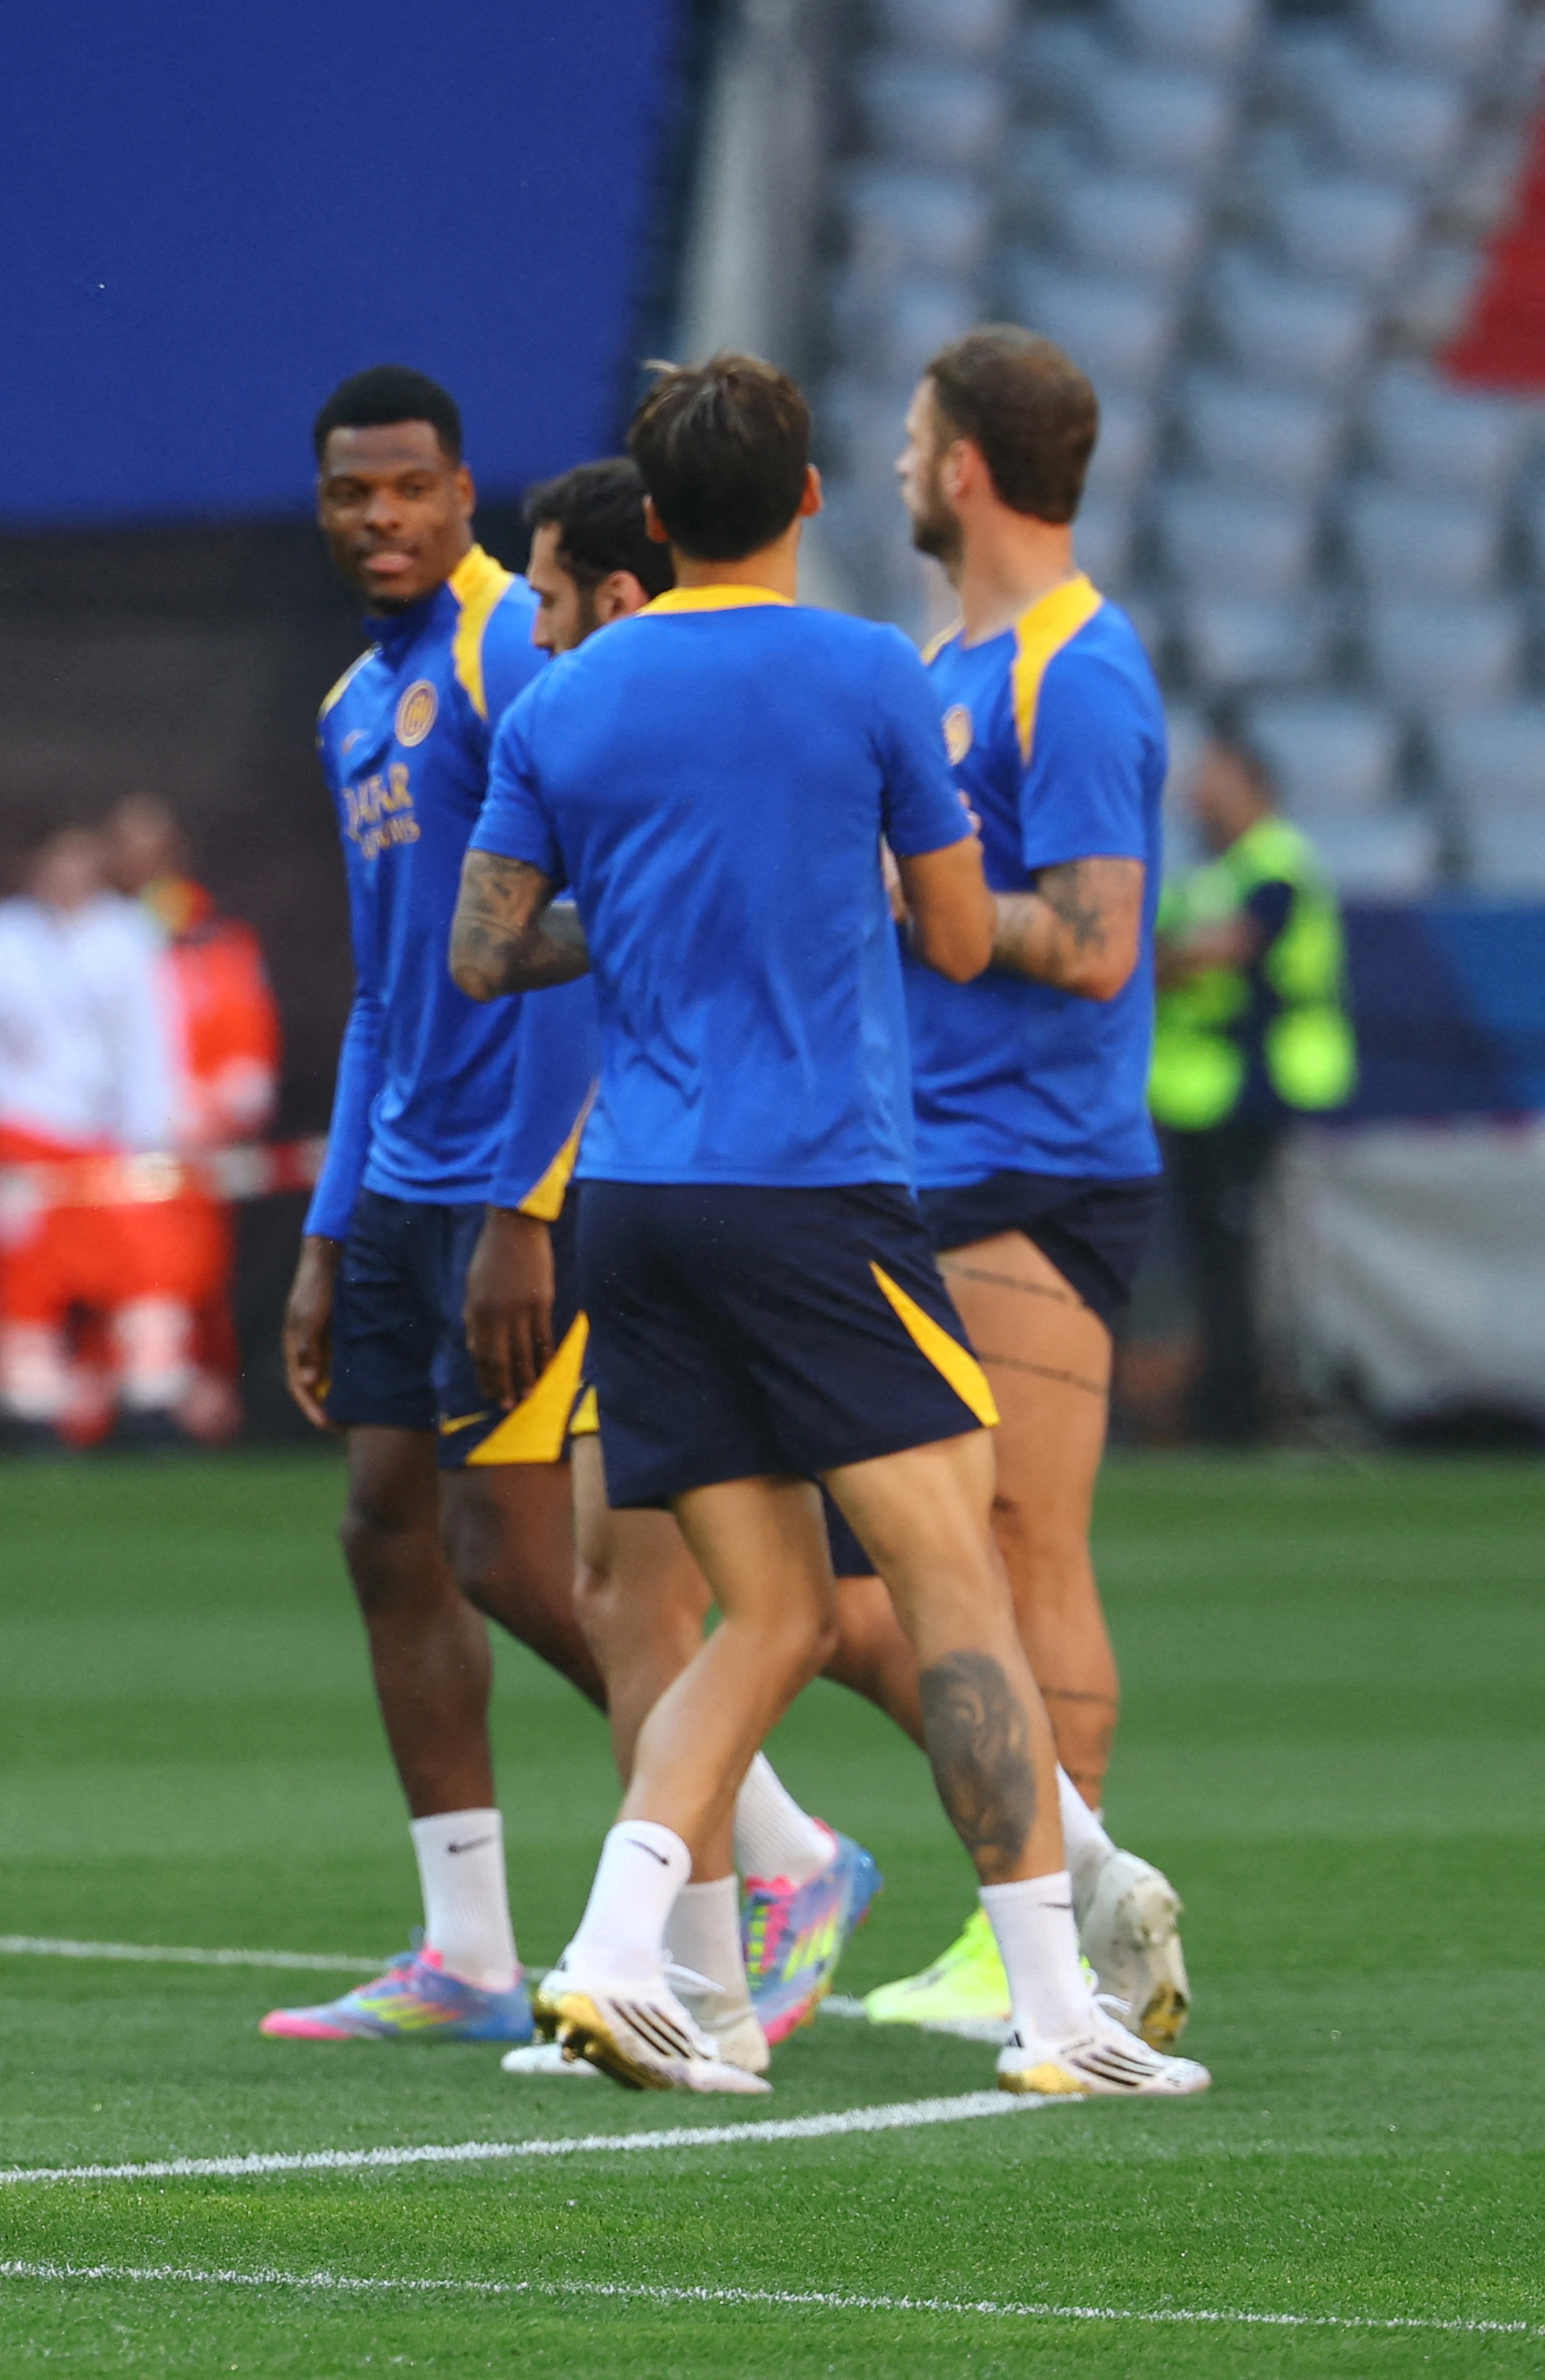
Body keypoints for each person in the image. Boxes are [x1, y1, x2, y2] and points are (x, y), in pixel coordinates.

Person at [453, 349, 1202, 2104]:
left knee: (770, 1612)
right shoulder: (872, 671)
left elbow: (489, 949)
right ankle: (1052, 2009)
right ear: (801, 500)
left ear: (649, 520)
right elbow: (956, 937)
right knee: (953, 1587)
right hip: (818, 1195)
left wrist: (635, 915)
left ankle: (616, 1957)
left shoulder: (568, 699)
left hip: (635, 1202)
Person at [485, 454, 909, 2083]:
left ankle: (1055, 1878)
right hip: (670, 1194)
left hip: (748, 1194)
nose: (529, 623)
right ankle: (721, 1947)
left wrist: (519, 1203)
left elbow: (506, 962)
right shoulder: (606, 722)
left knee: (858, 1604)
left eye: (544, 590)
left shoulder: (633, 718)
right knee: (634, 1586)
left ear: (623, 585)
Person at [853, 327, 1198, 2052]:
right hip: (938, 1151)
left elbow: (1103, 934)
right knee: (929, 1555)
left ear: (966, 465)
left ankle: (1056, 1919)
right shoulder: (948, 657)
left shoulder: (1080, 668)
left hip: (1036, 1162)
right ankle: (1039, 1898)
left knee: (1017, 1539)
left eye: (919, 441)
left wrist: (947, 902)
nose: (906, 467)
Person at [264, 366, 607, 2047]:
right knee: (388, 1533)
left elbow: (582, 946)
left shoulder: (512, 650)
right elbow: (389, 996)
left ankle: (770, 1841)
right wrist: (328, 1238)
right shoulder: (351, 705)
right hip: (403, 1184)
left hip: (514, 1191)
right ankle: (466, 1948)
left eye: (409, 488)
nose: (380, 517)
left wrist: (529, 1205)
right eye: (351, 494)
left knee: (525, 1563)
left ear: (465, 491)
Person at [1147, 729, 1351, 1444]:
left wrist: (1144, 961)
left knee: (1241, 1257)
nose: (1198, 791)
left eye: (1216, 775)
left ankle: (1242, 1407)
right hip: (1196, 1093)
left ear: (1254, 785)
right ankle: (1224, 1400)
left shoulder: (1277, 863)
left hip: (1256, 1088)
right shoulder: (1211, 871)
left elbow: (1223, 949)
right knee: (1213, 1258)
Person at [0, 825, 184, 1447]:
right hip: (18, 1130)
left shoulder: (127, 935)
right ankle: (30, 1417)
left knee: (143, 1267)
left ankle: (151, 1410)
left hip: (106, 1135)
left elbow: (150, 1041)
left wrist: (152, 1133)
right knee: (25, 1278)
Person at [101, 792, 277, 1432]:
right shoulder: (68, 941)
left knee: (177, 1291)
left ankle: (169, 1412)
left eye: (152, 849)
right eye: (124, 848)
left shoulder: (209, 941)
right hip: (80, 1152)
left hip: (182, 1158)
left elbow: (247, 1063)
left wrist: (200, 1114)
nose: (138, 863)